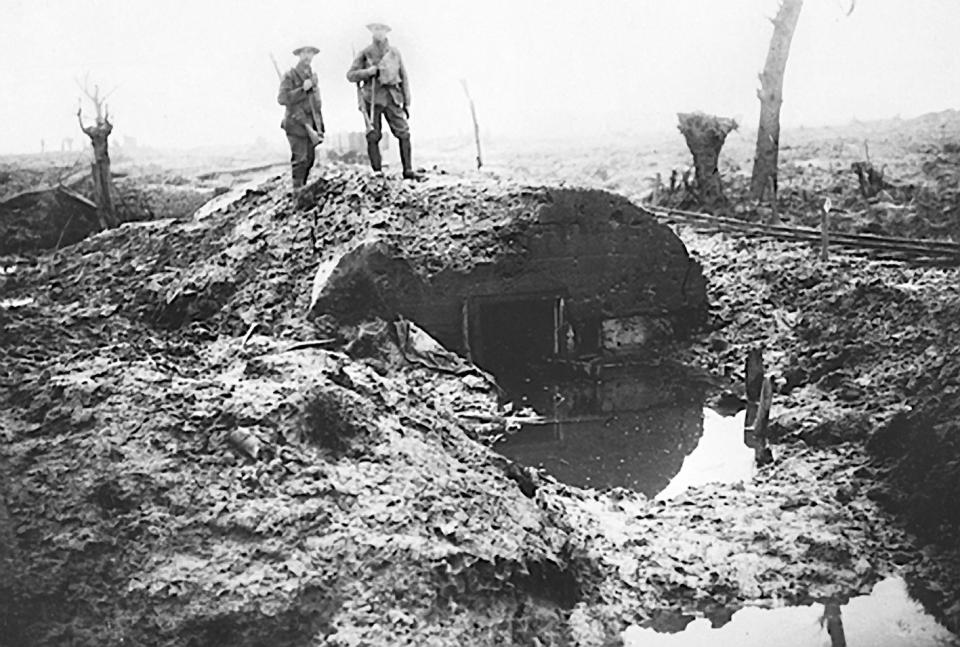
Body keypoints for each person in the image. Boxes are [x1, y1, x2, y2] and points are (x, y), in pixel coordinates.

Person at [347, 22, 419, 180]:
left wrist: (407, 102)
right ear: (371, 32)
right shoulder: (365, 53)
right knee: (373, 135)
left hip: (393, 97)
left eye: (382, 29)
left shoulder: (394, 53)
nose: (379, 32)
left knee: (404, 133)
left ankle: (408, 170)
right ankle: (377, 171)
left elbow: (404, 77)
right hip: (372, 98)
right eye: (375, 29)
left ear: (387, 32)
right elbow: (351, 75)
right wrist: (368, 72)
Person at [278, 45, 325, 189]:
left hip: (311, 124)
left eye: (310, 53)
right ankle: (297, 193)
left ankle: (302, 188)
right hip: (295, 124)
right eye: (304, 52)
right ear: (299, 55)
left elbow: (316, 103)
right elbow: (282, 98)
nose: (308, 56)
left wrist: (319, 126)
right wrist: (302, 89)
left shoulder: (312, 76)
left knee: (310, 160)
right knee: (300, 160)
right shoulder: (290, 75)